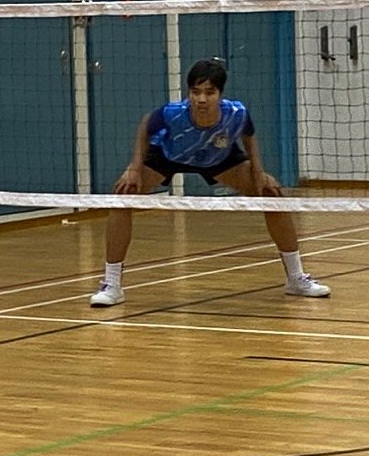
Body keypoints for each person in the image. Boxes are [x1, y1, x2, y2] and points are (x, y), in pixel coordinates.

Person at [90, 58, 329, 308]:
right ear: (188, 93)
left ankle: (296, 278)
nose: (201, 99)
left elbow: (249, 135)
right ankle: (112, 285)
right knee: (121, 197)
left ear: (220, 94)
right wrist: (134, 168)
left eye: (209, 92)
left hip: (218, 157)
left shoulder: (236, 113)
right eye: (195, 92)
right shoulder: (172, 114)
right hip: (169, 155)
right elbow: (145, 126)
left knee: (273, 196)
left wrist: (259, 172)